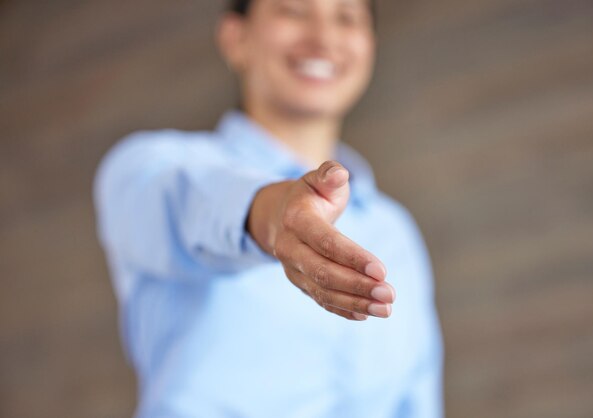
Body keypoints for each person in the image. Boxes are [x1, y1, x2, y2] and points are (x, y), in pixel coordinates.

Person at [93, 0, 444, 416]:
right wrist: (274, 215)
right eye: (293, 11)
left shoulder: (396, 230)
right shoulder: (149, 166)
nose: (324, 37)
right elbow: (194, 202)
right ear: (235, 38)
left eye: (346, 17)